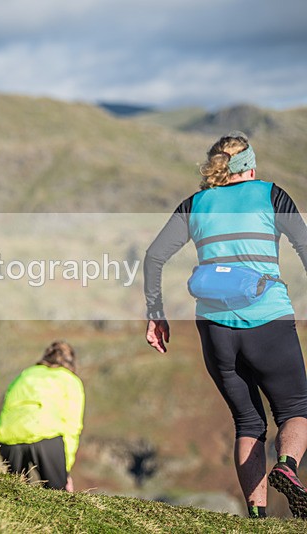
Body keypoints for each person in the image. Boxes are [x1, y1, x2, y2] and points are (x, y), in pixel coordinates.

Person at [144, 131, 307, 519]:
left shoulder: (195, 204)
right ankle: (287, 465)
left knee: (247, 421)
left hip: (215, 328)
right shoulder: (271, 194)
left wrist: (156, 314)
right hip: (268, 318)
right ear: (250, 165)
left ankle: (257, 516)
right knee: (296, 407)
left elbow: (153, 257)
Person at [0, 341, 85, 491]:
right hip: (46, 438)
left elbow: (8, 407)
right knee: (58, 496)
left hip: (9, 438)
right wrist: (64, 470)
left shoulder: (26, 374)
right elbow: (72, 425)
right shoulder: (70, 380)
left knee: (14, 491)